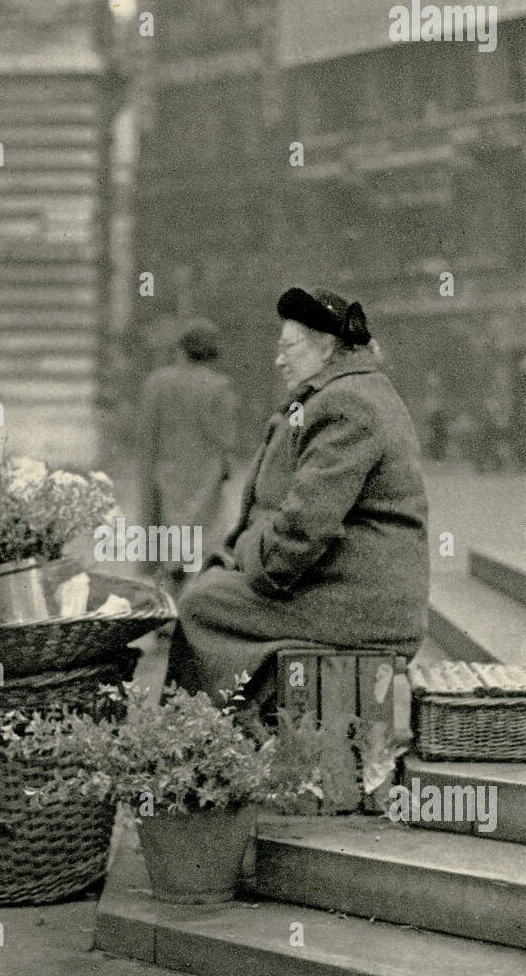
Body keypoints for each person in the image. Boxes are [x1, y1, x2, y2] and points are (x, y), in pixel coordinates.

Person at [164, 287, 429, 704]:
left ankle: (203, 737)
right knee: (211, 585)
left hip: (359, 604)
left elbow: (304, 527)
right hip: (349, 589)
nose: (278, 359)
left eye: (289, 347)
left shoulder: (347, 402)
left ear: (325, 348)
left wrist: (249, 554)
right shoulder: (347, 393)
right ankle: (225, 730)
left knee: (202, 603)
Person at [137, 318, 237, 598]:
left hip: (166, 474)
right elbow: (225, 439)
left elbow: (146, 434)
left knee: (168, 546)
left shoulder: (157, 382)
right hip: (204, 476)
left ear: (182, 350)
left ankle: (166, 614)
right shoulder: (219, 387)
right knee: (204, 544)